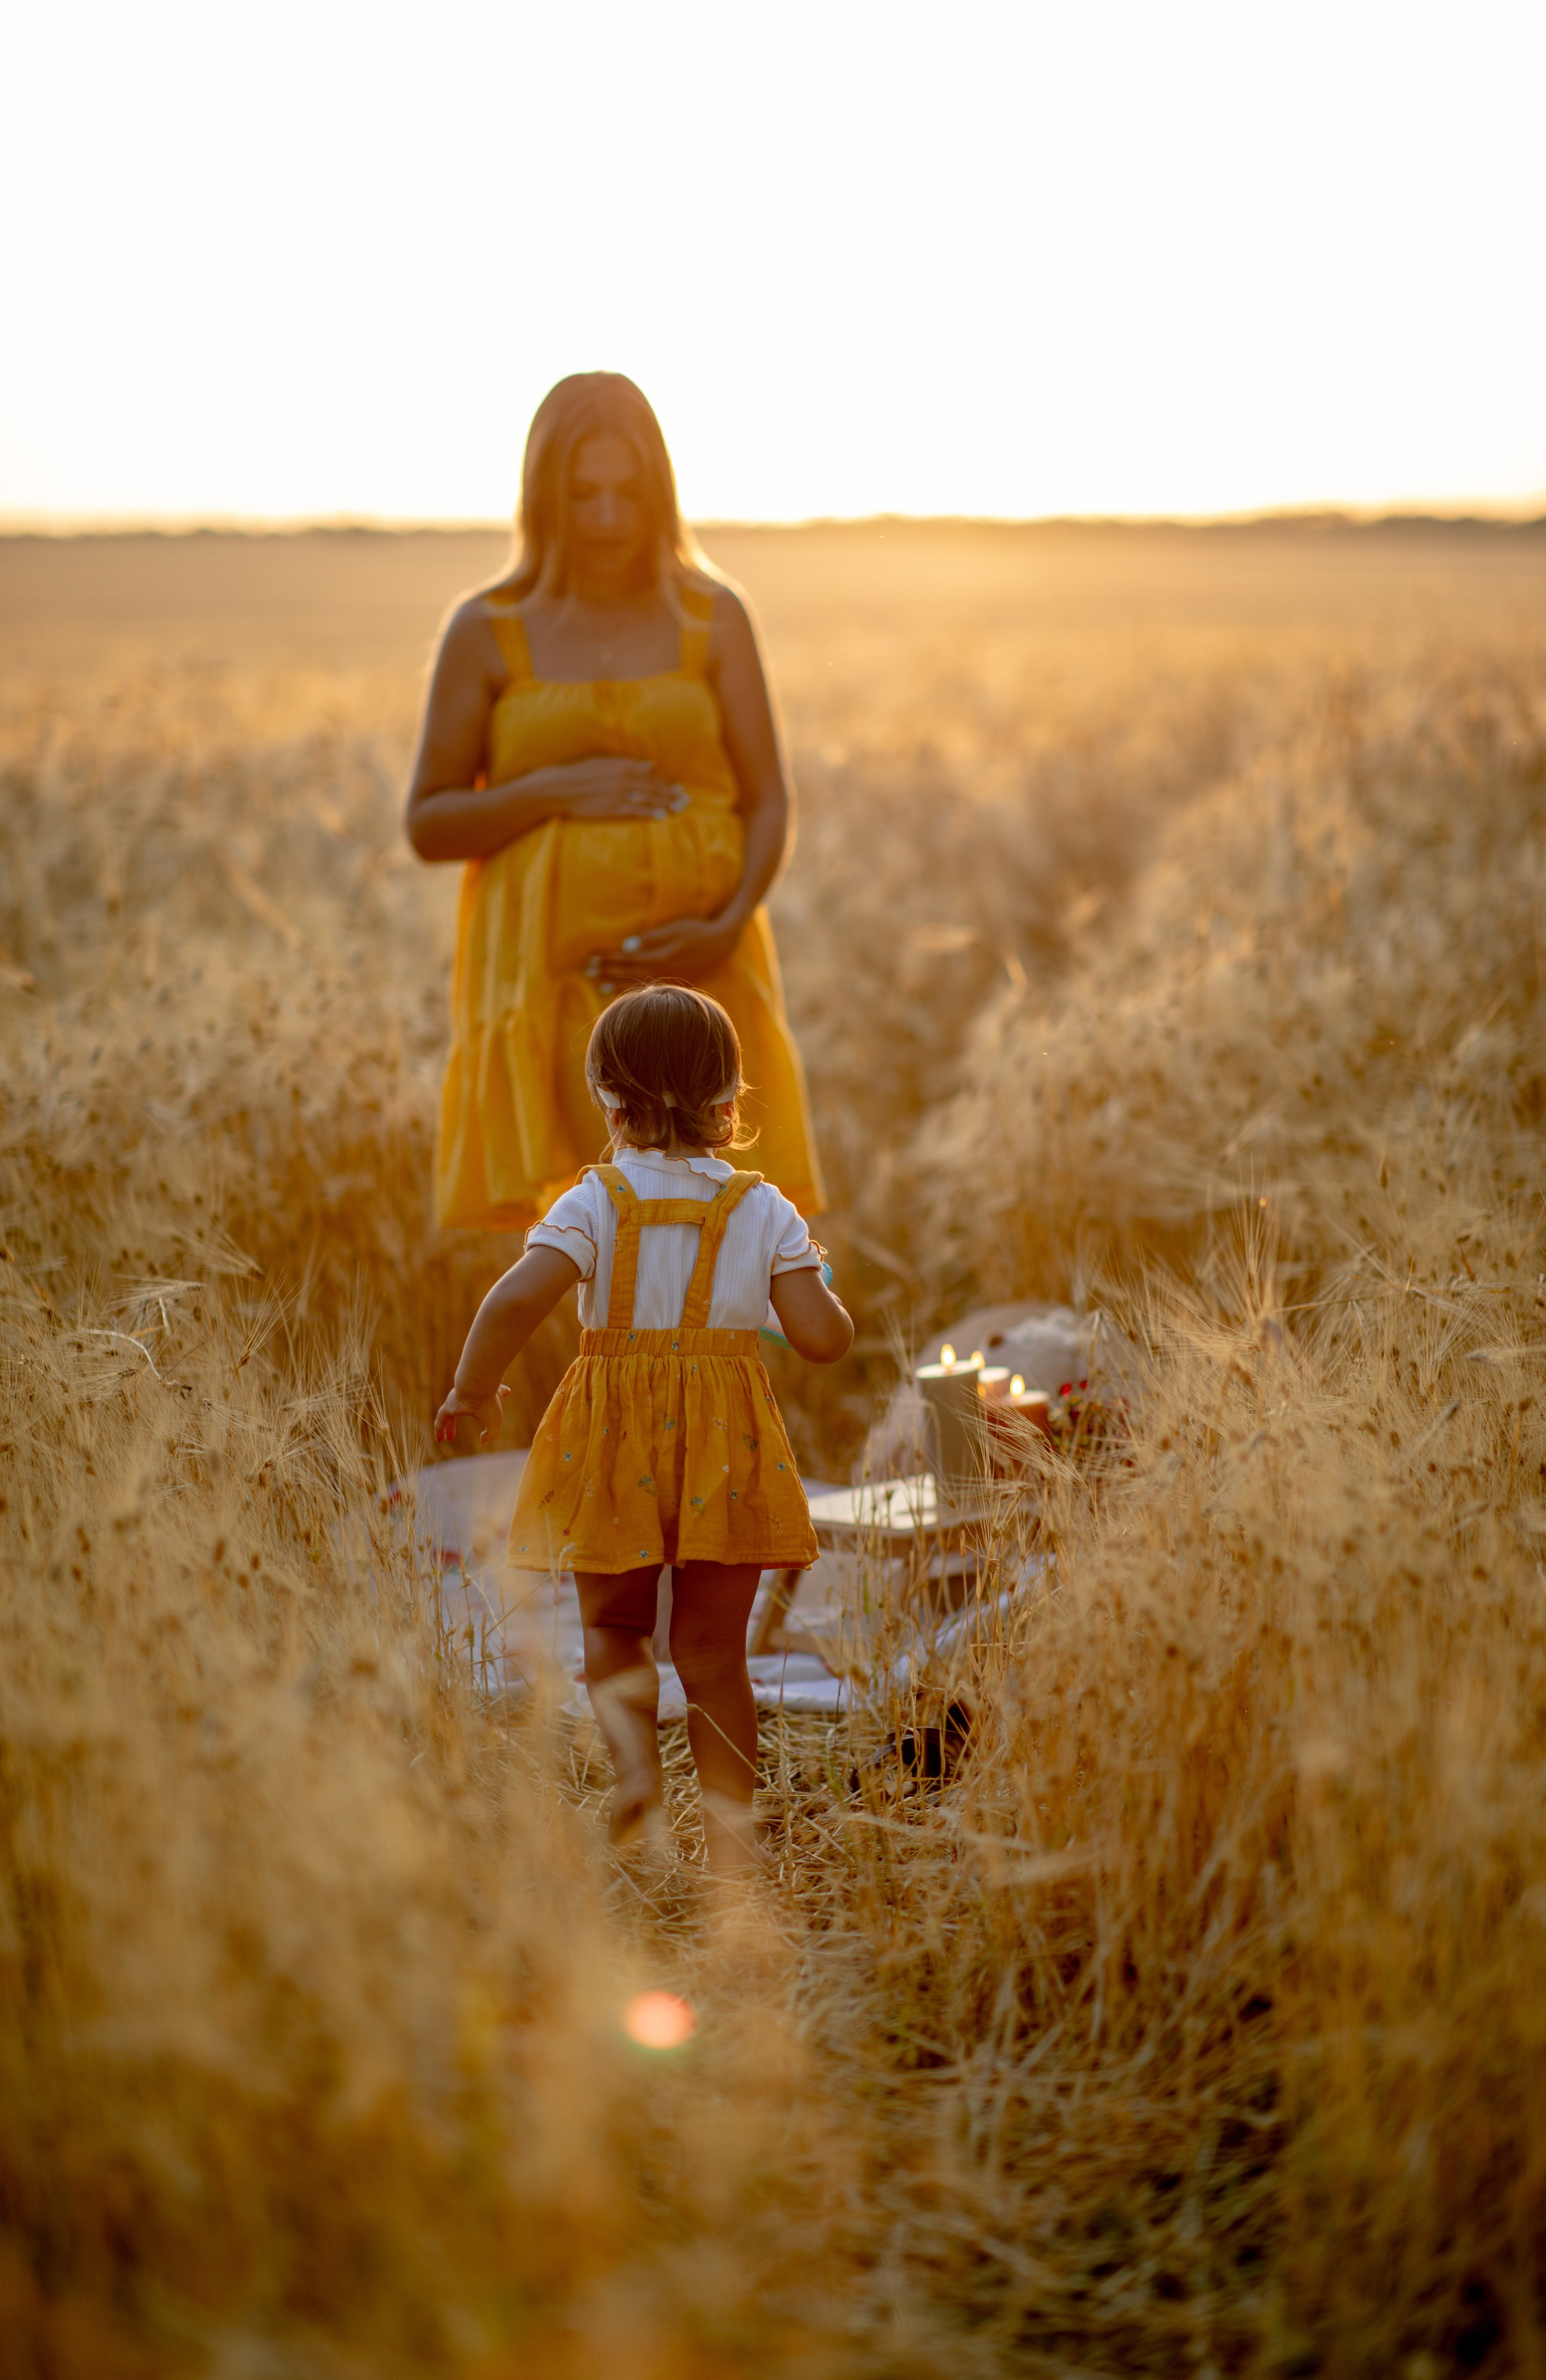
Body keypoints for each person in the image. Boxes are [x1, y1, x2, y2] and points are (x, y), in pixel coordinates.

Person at [434, 984, 852, 1872]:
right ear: (730, 1103)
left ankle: (635, 1780)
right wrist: (818, 1276)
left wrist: (474, 1389)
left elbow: (516, 1297)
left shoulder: (594, 1201)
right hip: (724, 1441)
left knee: (614, 1625)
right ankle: (732, 1842)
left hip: (609, 1436)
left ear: (610, 1102)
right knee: (712, 1652)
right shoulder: (761, 1208)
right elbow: (822, 1338)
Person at [405, 370, 825, 1230]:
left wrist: (726, 922)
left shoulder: (714, 616)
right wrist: (552, 791)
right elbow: (429, 823)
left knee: (726, 1233)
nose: (604, 518)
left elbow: (770, 800)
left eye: (627, 494)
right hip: (557, 982)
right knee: (586, 1238)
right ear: (542, 498)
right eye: (581, 494)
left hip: (707, 971)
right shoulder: (487, 628)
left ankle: (719, 1374)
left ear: (660, 493)